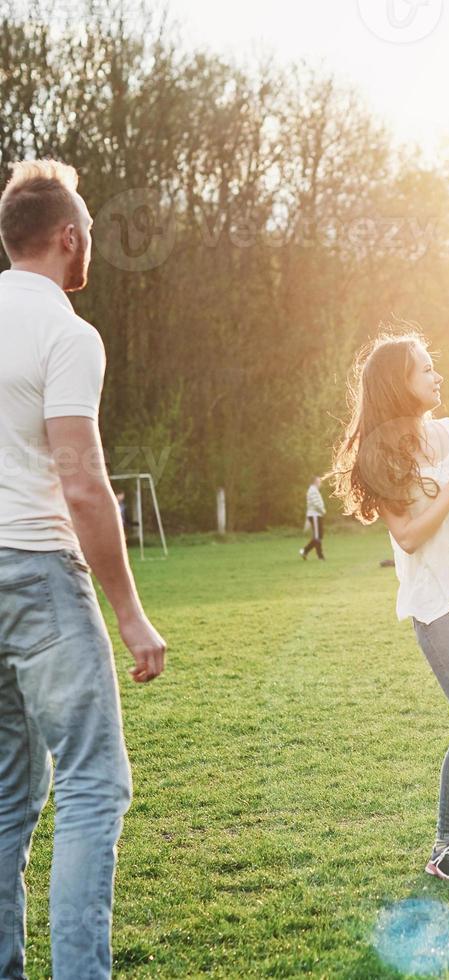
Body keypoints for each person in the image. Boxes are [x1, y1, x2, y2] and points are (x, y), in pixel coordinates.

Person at [0, 159, 168, 979]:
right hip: (35, 571)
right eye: (90, 231)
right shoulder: (67, 332)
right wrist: (130, 612)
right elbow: (81, 481)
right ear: (68, 238)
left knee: (4, 801)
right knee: (94, 782)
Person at [332, 329, 449, 882]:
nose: (437, 376)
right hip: (440, 599)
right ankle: (445, 843)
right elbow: (409, 538)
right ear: (399, 384)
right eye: (425, 369)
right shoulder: (381, 455)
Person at [301, 475, 326, 560]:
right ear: (315, 482)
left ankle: (305, 551)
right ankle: (320, 556)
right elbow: (316, 504)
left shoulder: (314, 490)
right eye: (319, 481)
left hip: (317, 515)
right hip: (314, 515)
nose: (320, 483)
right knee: (317, 536)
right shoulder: (312, 490)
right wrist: (322, 511)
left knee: (319, 535)